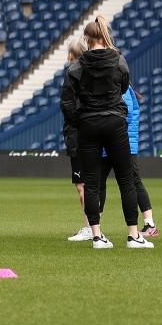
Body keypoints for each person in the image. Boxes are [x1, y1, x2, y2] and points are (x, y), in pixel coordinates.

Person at [61, 17, 154, 250]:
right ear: (104, 37)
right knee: (126, 181)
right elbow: (123, 86)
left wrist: (79, 120)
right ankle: (133, 235)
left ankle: (96, 236)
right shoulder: (118, 60)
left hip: (88, 125)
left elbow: (67, 101)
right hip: (114, 122)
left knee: (92, 184)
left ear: (86, 39)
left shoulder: (77, 67)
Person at [97, 83, 157, 238]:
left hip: (122, 142)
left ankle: (150, 225)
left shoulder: (120, 86)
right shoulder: (120, 85)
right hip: (114, 141)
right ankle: (94, 226)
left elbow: (126, 115)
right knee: (100, 182)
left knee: (131, 181)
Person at [61, 39, 92, 242]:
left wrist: (76, 123)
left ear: (73, 55)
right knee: (89, 184)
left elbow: (69, 105)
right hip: (88, 132)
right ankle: (92, 226)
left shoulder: (74, 74)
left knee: (82, 185)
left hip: (78, 134)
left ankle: (90, 227)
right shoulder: (90, 74)